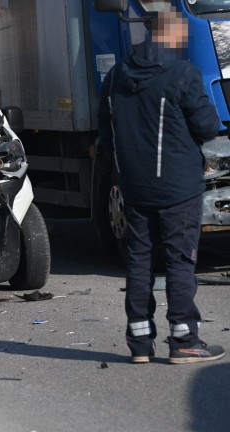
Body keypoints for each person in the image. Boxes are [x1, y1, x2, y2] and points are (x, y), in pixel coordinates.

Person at [98, 8, 225, 364]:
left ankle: (139, 343)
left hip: (135, 188)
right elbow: (208, 127)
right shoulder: (182, 74)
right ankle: (184, 339)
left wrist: (126, 173)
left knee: (140, 261)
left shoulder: (114, 78)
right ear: (170, 35)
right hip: (179, 188)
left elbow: (105, 136)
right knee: (180, 261)